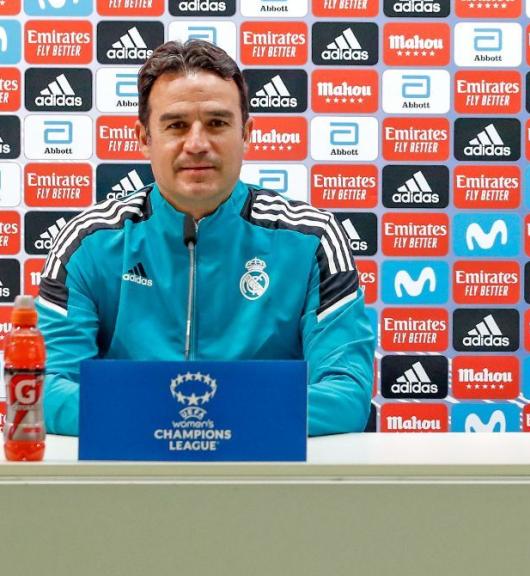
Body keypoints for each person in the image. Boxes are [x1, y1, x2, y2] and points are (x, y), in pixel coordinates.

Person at [36, 40, 375, 436]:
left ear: (247, 133)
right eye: (176, 125)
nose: (197, 144)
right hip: (130, 484)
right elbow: (46, 390)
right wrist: (180, 419)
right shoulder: (88, 243)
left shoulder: (312, 240)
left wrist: (199, 419)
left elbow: (346, 395)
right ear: (144, 138)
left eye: (217, 123)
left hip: (266, 484)